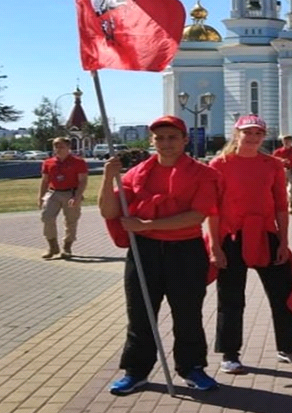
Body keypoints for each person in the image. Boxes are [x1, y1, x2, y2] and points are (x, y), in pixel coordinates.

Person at [99, 115, 219, 395]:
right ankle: (136, 371)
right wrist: (107, 179)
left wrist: (147, 225)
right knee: (140, 314)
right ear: (152, 141)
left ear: (184, 140)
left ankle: (192, 368)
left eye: (172, 137)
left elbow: (195, 216)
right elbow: (109, 211)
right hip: (144, 253)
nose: (166, 143)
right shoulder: (135, 173)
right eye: (160, 138)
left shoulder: (203, 174)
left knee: (188, 314)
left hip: (185, 251)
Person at [208, 115, 292, 376]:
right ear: (237, 134)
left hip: (266, 235)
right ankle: (230, 354)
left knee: (282, 294)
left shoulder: (272, 165)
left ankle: (289, 347)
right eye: (247, 132)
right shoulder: (219, 164)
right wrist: (216, 247)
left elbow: (280, 206)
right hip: (232, 237)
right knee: (231, 298)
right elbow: (213, 209)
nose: (252, 138)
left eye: (258, 133)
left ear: (264, 136)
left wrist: (284, 241)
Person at [39, 137, 88, 259]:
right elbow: (45, 181)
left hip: (71, 193)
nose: (58, 149)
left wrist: (77, 196)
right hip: (53, 193)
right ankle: (52, 246)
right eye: (56, 147)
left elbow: (82, 181)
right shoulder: (48, 162)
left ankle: (67, 247)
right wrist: (40, 197)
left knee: (71, 221)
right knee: (47, 217)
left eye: (61, 147)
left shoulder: (78, 162)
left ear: (68, 148)